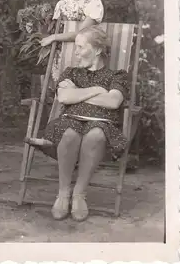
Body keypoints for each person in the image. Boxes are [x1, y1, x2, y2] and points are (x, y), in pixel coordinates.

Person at [28, 26, 129, 222]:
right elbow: (64, 97)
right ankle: (63, 193)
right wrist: (98, 90)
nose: (76, 53)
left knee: (96, 135)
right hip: (70, 122)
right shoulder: (71, 72)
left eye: (81, 47)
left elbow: (113, 102)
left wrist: (79, 95)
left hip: (102, 124)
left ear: (97, 50)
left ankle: (79, 194)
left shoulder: (117, 76)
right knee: (70, 134)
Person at [40, 0, 104, 79]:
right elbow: (54, 29)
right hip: (62, 54)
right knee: (58, 85)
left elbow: (82, 33)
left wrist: (54, 37)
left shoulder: (94, 4)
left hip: (85, 54)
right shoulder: (61, 4)